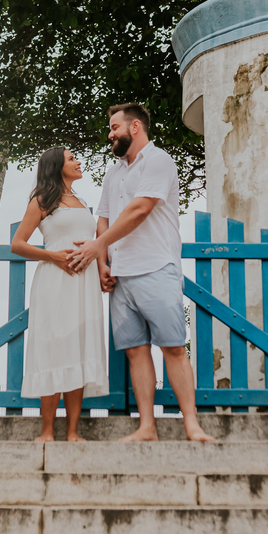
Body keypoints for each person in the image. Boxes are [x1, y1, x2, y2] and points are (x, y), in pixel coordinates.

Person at [70, 103, 214, 443]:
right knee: (136, 350)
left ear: (135, 127)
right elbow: (103, 217)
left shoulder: (159, 160)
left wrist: (96, 246)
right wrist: (103, 261)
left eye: (115, 127)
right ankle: (146, 427)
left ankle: (191, 424)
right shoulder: (113, 171)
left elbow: (140, 209)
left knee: (173, 347)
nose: (111, 133)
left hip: (156, 266)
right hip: (120, 276)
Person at [11, 147, 109, 443]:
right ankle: (46, 431)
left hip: (85, 282)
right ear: (57, 166)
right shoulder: (42, 201)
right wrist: (54, 256)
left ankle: (74, 431)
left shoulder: (81, 201)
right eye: (71, 159)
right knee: (53, 348)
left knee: (78, 348)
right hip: (55, 280)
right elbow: (17, 244)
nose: (78, 162)